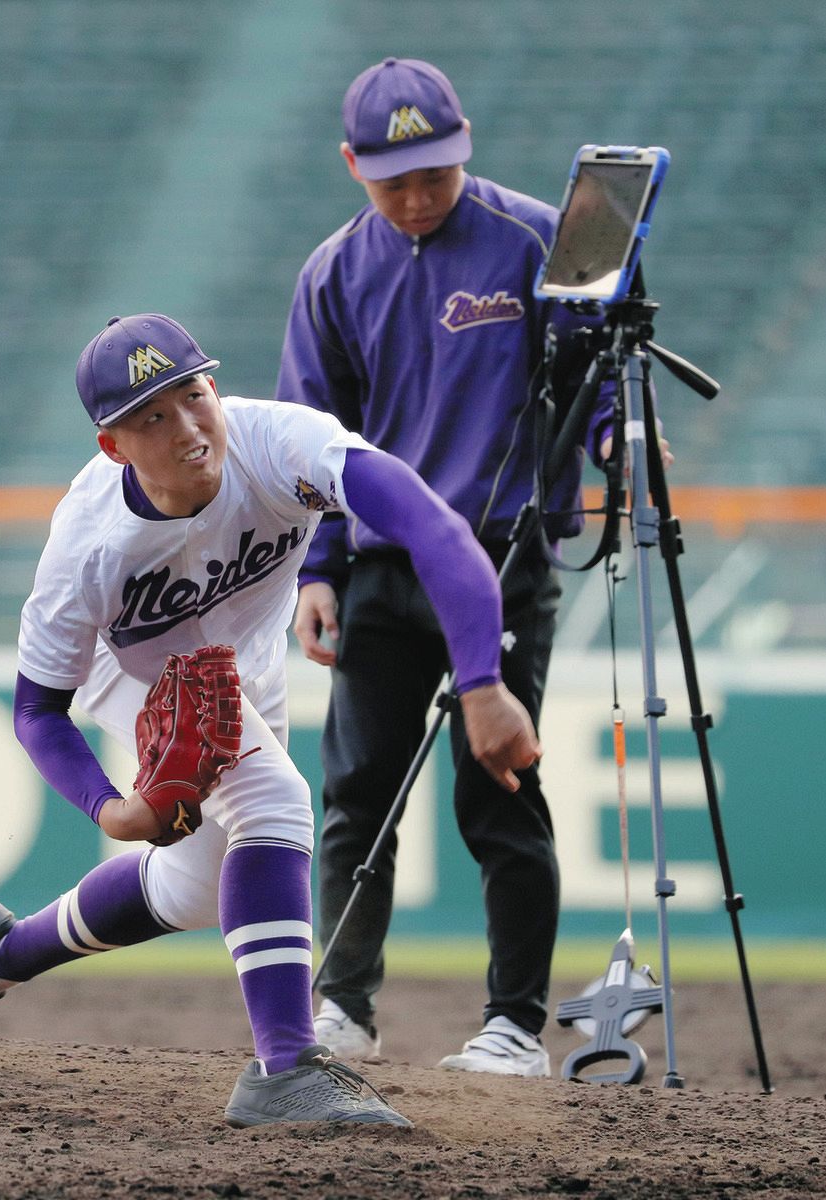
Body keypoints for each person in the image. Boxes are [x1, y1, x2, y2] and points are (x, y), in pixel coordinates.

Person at [0, 311, 540, 1128]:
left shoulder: (282, 446)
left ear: (214, 388)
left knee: (192, 888)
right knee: (275, 806)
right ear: (112, 446)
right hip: (139, 676)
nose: (185, 426)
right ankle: (285, 1069)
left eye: (191, 395)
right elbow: (38, 710)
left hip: (246, 664)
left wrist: (480, 681)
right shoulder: (88, 547)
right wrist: (107, 807)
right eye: (150, 417)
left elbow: (431, 527)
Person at [278, 57, 621, 1076]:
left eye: (440, 172)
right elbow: (313, 443)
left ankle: (514, 1024)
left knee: (500, 790)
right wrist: (318, 573)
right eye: (398, 180)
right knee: (356, 794)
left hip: (507, 555)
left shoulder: (532, 240)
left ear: (464, 146)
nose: (422, 196)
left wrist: (617, 447)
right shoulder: (332, 276)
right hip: (383, 568)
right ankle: (342, 1007)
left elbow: (593, 376)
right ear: (353, 166)